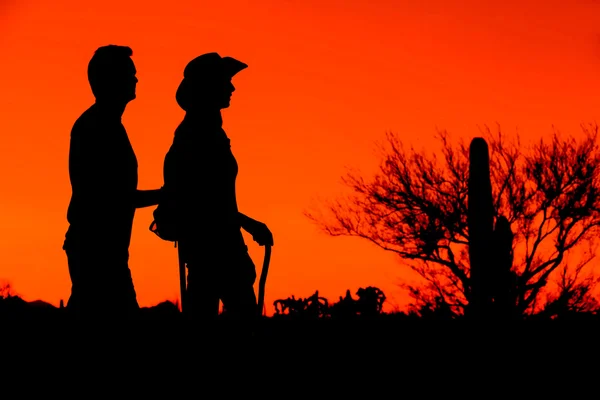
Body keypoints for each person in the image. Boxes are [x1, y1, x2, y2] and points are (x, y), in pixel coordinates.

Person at [163, 52, 273, 329]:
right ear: (208, 88)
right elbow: (203, 201)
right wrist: (250, 224)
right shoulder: (197, 136)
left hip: (214, 245)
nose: (232, 88)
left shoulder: (208, 132)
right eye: (225, 81)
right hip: (213, 248)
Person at [63, 45, 162, 317]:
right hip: (98, 252)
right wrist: (166, 194)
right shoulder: (98, 127)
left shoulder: (107, 124)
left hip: (104, 250)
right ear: (112, 79)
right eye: (130, 74)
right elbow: (113, 197)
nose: (136, 79)